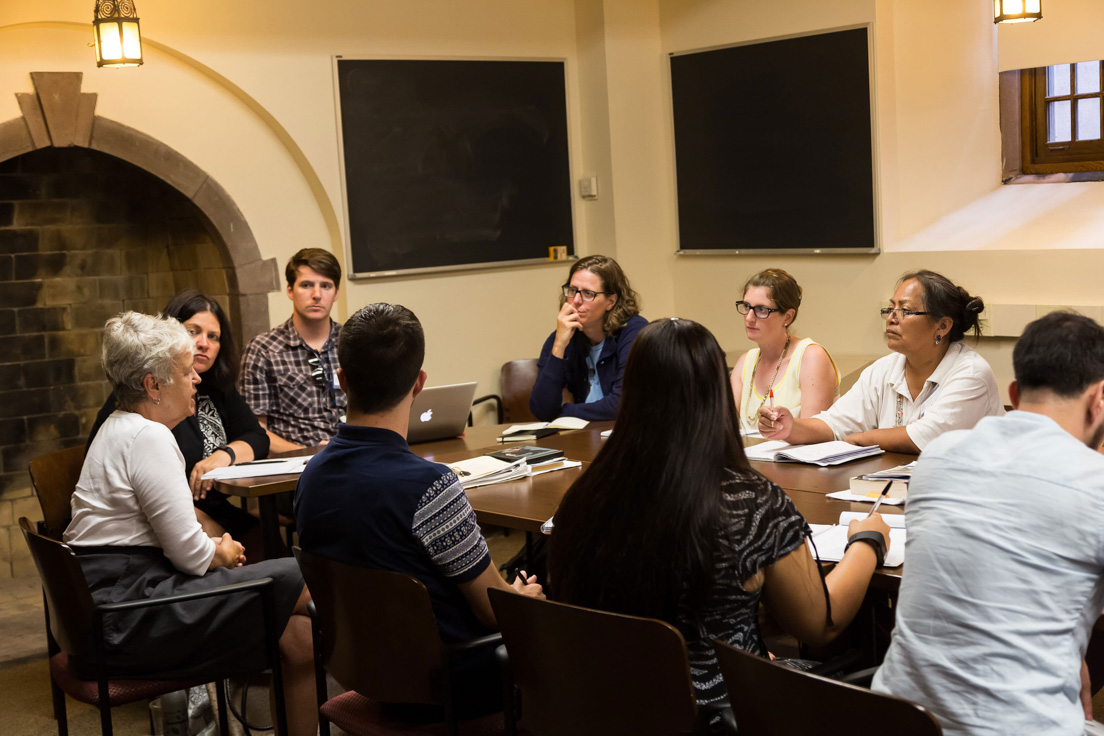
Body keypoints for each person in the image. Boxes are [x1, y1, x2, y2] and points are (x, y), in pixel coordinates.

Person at [548, 317, 889, 716]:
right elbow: (821, 624)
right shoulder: (748, 503)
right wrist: (867, 541)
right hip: (720, 713)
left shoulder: (585, 496)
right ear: (717, 393)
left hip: (605, 708)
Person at [65, 312, 316, 736]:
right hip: (127, 617)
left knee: (299, 632)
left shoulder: (117, 426)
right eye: (185, 372)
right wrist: (223, 551)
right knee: (302, 572)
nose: (196, 379)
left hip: (103, 612)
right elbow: (192, 557)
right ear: (153, 385)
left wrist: (215, 549)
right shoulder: (149, 437)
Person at [294, 302, 545, 718]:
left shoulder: (310, 477)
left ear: (342, 380)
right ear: (419, 383)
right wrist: (521, 598)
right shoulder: (430, 487)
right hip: (451, 686)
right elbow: (493, 612)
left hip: (367, 674)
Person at [872, 311, 1104, 736]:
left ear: (1014, 392)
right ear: (1099, 399)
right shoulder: (1096, 483)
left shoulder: (937, 458)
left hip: (899, 719)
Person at [87, 291, 266, 541]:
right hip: (155, 522)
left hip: (212, 510)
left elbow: (257, 437)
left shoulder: (217, 387)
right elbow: (135, 493)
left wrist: (225, 455)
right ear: (168, 336)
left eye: (213, 336)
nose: (204, 343)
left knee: (268, 543)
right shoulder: (143, 398)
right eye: (193, 331)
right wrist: (199, 522)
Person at [760, 269, 1003, 453]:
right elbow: (836, 423)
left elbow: (927, 437)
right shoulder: (884, 369)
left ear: (942, 325)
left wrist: (861, 438)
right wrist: (791, 428)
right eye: (890, 309)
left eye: (905, 311)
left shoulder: (970, 373)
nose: (891, 319)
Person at [240, 248, 346, 452]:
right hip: (293, 467)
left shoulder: (353, 343)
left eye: (326, 286)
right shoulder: (262, 350)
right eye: (306, 285)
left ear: (336, 293)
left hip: (352, 457)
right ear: (290, 290)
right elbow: (254, 431)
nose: (316, 295)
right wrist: (311, 455)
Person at [529, 254, 646, 421]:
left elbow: (622, 404)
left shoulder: (634, 332)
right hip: (582, 436)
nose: (576, 301)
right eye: (572, 291)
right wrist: (558, 348)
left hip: (625, 435)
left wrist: (562, 412)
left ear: (611, 301)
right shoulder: (563, 335)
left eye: (587, 293)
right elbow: (542, 410)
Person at [730, 269, 840, 434]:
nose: (749, 317)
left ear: (788, 317)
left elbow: (814, 437)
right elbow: (722, 425)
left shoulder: (811, 357)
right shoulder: (744, 362)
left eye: (761, 310)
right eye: (746, 306)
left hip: (795, 459)